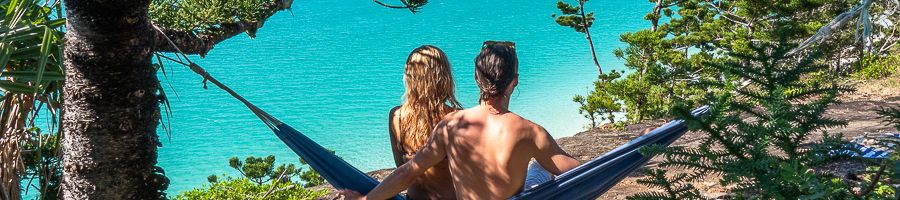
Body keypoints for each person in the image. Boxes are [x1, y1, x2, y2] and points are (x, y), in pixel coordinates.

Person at [342, 41, 581, 200]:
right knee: (540, 167)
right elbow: (581, 172)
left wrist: (365, 199)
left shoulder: (452, 124)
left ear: (477, 77)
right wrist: (615, 163)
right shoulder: (531, 131)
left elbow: (407, 171)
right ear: (514, 82)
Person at [387, 45, 463, 199]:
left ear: (409, 77)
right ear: (444, 77)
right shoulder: (456, 118)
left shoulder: (397, 117)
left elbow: (402, 169)